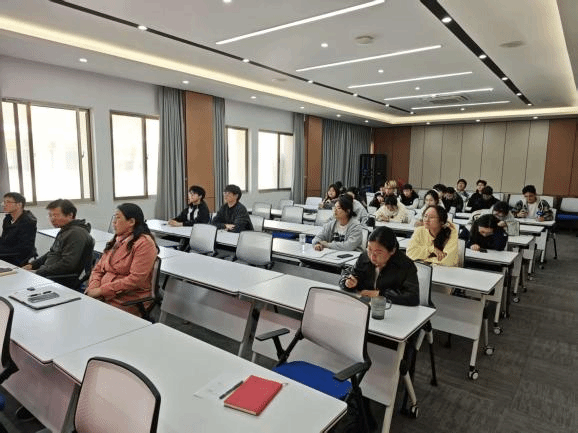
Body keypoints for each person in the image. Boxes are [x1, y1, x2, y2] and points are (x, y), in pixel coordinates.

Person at [85, 203, 158, 316]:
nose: (113, 222)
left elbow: (135, 280)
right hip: (103, 293)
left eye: (118, 218)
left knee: (91, 316)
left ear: (131, 222)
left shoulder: (144, 243)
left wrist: (101, 291)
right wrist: (93, 286)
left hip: (128, 298)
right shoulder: (117, 239)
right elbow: (98, 268)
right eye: (114, 218)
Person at [339, 226, 419, 305]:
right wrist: (348, 282)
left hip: (391, 308)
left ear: (392, 251)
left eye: (378, 252)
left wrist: (380, 294)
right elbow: (349, 273)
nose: (372, 257)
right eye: (369, 249)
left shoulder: (405, 265)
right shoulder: (364, 257)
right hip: (364, 305)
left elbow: (412, 297)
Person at [23, 199, 93, 288]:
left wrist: (38, 272)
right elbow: (52, 252)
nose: (52, 219)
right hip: (49, 275)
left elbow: (67, 265)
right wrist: (32, 265)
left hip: (60, 280)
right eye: (50, 215)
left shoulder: (76, 233)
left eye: (56, 215)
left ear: (70, 215)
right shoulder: (66, 230)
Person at [0, 192, 37, 266]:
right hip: (6, 252)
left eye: (8, 202)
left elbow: (23, 248)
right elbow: (4, 239)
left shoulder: (28, 221)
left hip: (18, 256)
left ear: (19, 205)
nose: (4, 205)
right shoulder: (7, 219)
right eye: (4, 202)